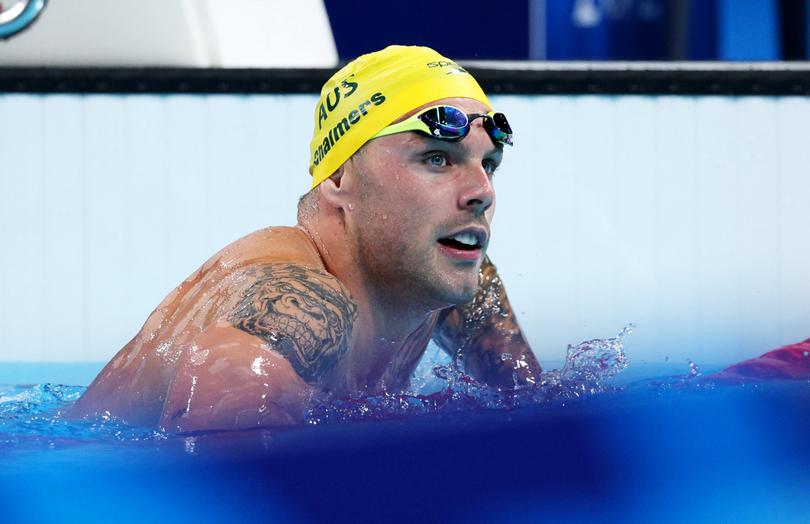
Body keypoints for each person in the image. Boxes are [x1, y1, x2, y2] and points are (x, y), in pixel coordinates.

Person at [71, 45, 541, 432]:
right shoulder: (298, 298)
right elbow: (226, 424)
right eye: (437, 159)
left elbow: (534, 413)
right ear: (338, 178)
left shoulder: (445, 279)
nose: (482, 191)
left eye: (489, 165)